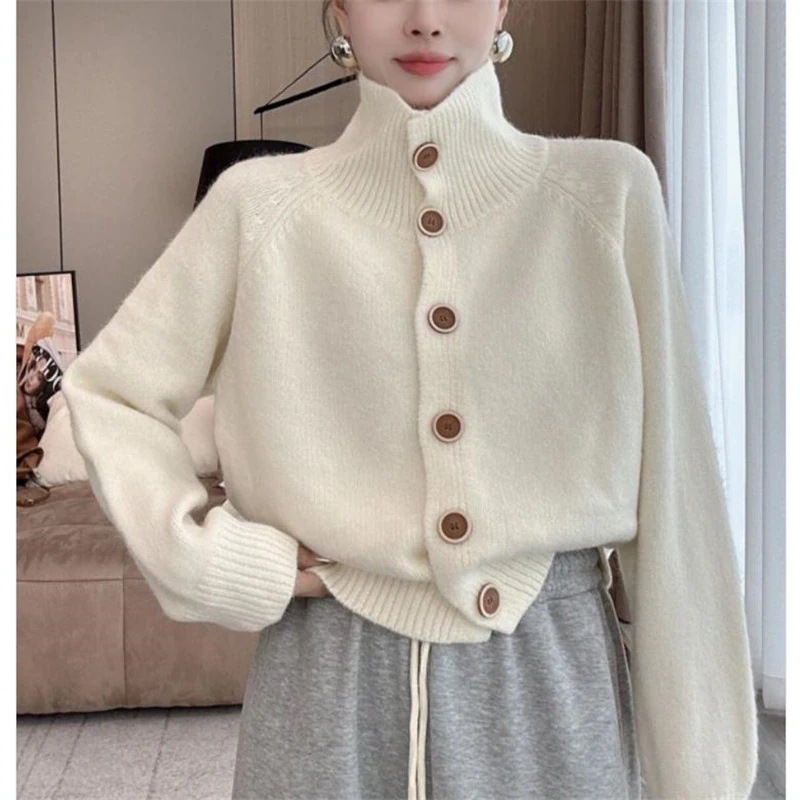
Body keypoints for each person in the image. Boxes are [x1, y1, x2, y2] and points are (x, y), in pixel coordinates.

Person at [61, 1, 759, 798]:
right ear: (340, 11)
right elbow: (111, 394)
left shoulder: (606, 194)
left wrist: (703, 774)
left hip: (548, 676)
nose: (425, 20)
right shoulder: (254, 207)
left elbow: (677, 495)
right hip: (327, 675)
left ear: (501, 5)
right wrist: (211, 561)